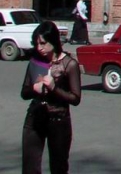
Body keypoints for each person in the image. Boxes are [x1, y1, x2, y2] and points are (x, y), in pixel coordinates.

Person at [21, 21, 81, 174]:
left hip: (58, 120)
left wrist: (54, 88)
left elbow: (75, 98)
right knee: (30, 167)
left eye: (43, 43)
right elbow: (24, 92)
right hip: (35, 118)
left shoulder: (69, 64)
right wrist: (34, 89)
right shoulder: (35, 61)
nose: (39, 47)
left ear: (53, 41)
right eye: (36, 43)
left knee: (58, 166)